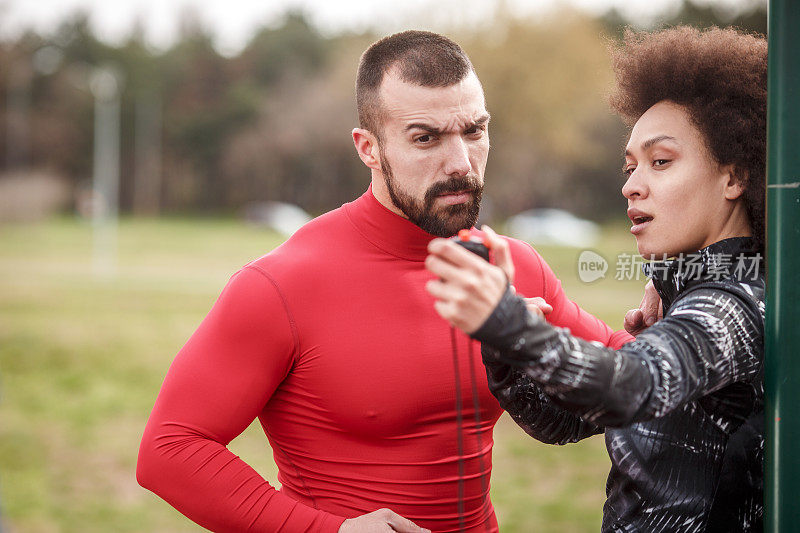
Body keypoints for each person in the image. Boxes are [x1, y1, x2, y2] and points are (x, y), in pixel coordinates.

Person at [136, 30, 635, 533]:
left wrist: (689, 295)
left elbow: (640, 370)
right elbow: (169, 449)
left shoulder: (510, 267)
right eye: (426, 137)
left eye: (474, 130)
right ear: (368, 148)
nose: (461, 162)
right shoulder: (282, 285)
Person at [425, 26, 767, 532]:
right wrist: (505, 351)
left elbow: (628, 386)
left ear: (734, 177)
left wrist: (510, 325)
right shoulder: (690, 295)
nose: (631, 185)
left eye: (661, 162)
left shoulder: (730, 305)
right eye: (630, 167)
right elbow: (559, 425)